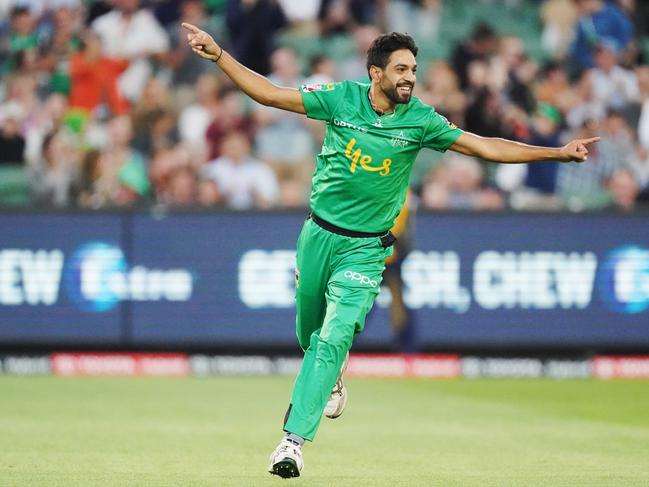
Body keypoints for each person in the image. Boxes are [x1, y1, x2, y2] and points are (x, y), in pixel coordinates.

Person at [182, 23, 599, 479]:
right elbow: (269, 94)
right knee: (309, 334)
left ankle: (292, 442)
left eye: (414, 69)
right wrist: (221, 54)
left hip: (365, 251)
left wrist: (556, 153)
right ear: (374, 73)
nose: (410, 77)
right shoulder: (339, 98)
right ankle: (330, 374)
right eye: (401, 69)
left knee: (334, 335)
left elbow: (483, 146)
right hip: (317, 236)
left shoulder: (420, 120)